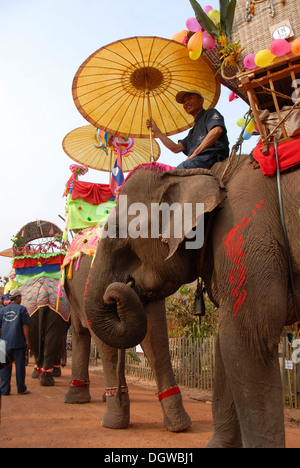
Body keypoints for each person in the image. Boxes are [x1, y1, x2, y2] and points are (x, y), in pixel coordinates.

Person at [146, 89, 229, 170]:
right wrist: (156, 131)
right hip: (196, 161)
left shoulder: (210, 113)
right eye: (184, 101)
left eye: (190, 98)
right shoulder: (192, 132)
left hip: (212, 158)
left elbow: (217, 130)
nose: (187, 103)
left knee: (177, 172)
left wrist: (194, 154)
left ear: (201, 100)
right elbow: (176, 148)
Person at [0, 289, 31, 395]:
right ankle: (21, 388)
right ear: (17, 298)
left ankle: (4, 390)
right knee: (20, 367)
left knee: (4, 368)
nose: (21, 299)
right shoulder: (22, 309)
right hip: (18, 342)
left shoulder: (2, 310)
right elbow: (25, 326)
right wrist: (27, 340)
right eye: (20, 297)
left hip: (4, 343)